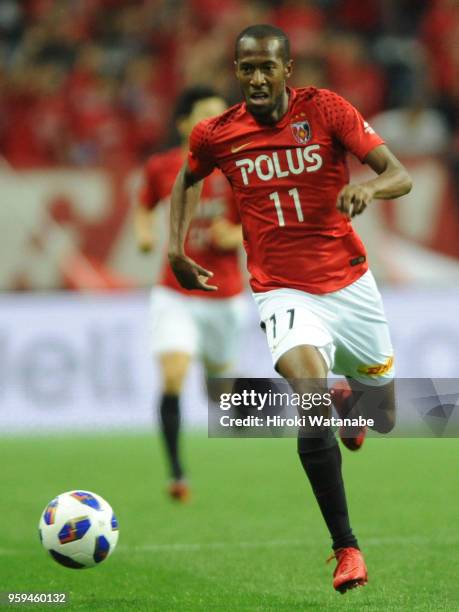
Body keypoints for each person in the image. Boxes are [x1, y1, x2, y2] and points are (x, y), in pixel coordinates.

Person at [167, 25, 413, 593]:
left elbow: (396, 174)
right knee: (309, 399)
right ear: (237, 70)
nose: (256, 78)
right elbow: (186, 181)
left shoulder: (325, 110)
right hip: (282, 290)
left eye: (266, 68)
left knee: (382, 416)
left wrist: (368, 191)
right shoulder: (217, 133)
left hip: (349, 284)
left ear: (287, 69)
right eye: (246, 68)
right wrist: (178, 248)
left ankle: (353, 405)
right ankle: (347, 548)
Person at [135, 86, 246, 502]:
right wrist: (145, 235)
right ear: (184, 124)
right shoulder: (162, 166)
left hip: (225, 295)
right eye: (206, 117)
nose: (216, 126)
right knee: (174, 373)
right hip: (175, 292)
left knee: (220, 393)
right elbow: (144, 205)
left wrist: (233, 234)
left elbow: (262, 223)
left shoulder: (239, 168)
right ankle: (177, 473)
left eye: (223, 118)